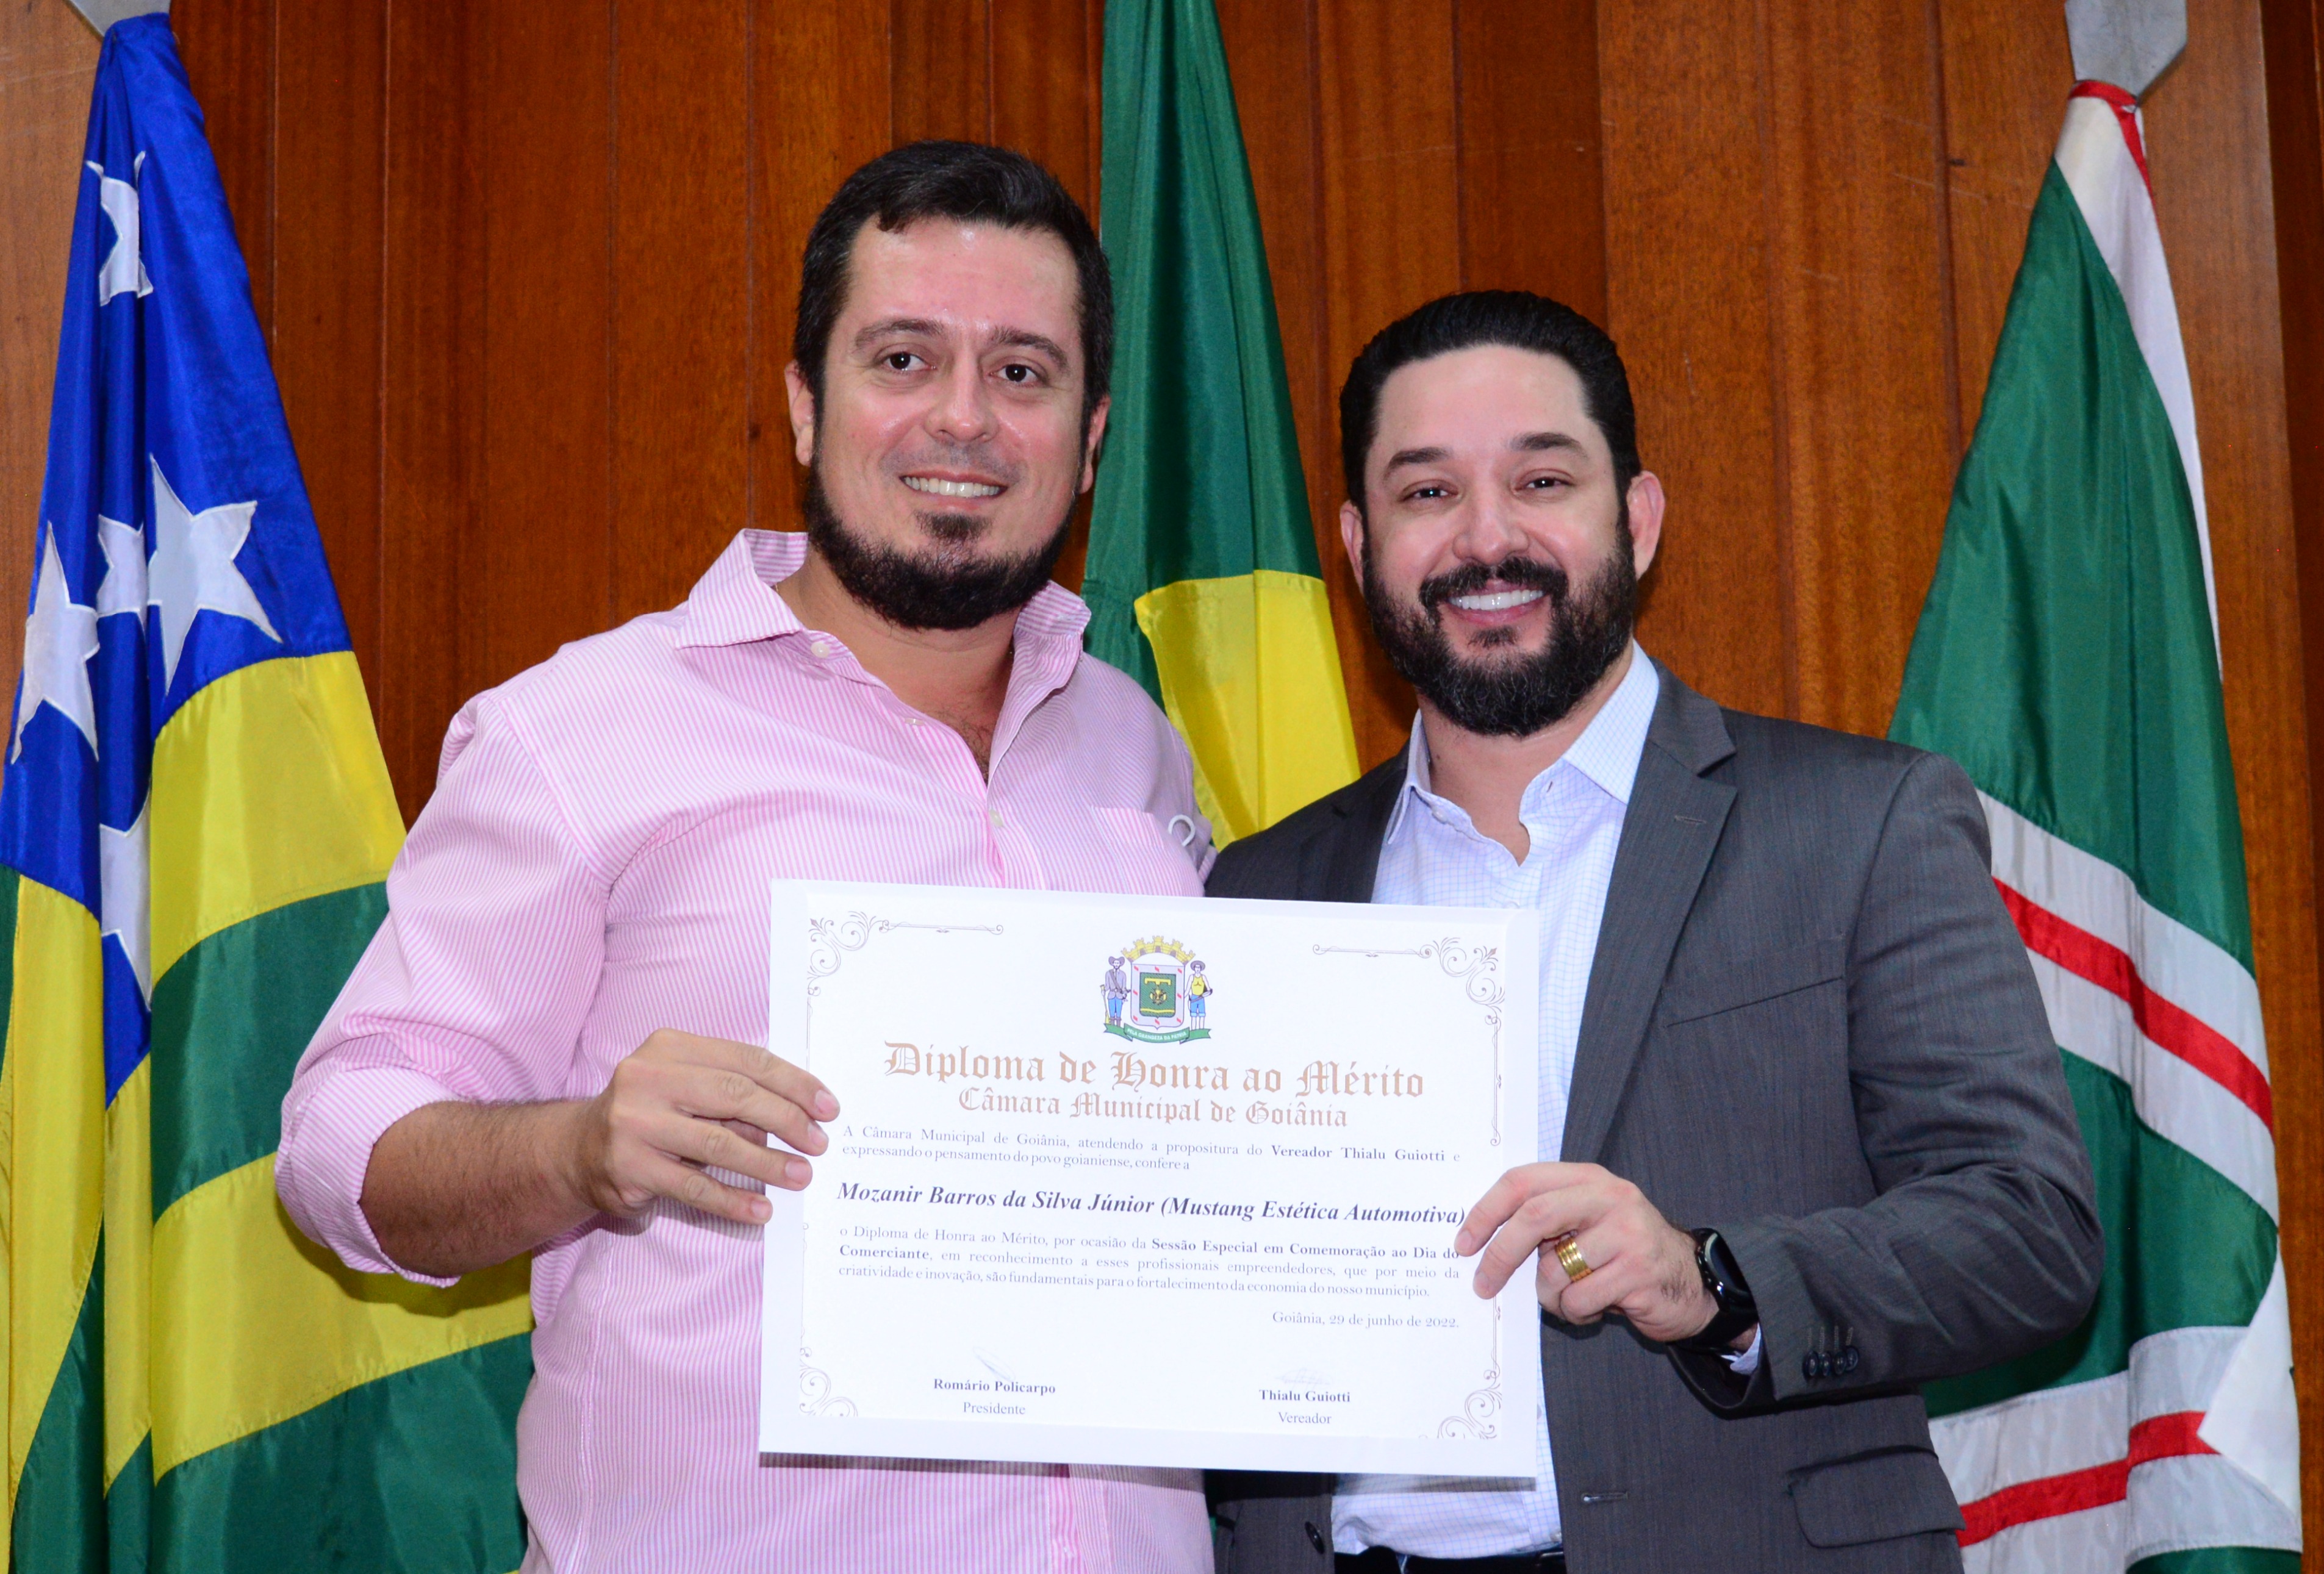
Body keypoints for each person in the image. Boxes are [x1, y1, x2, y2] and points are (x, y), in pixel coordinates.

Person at [279, 141, 1215, 1573]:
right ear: (803, 404)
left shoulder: (1136, 747)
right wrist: (579, 1149)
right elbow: (341, 1139)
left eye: (1022, 372)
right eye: (903, 359)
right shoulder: (579, 730)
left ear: (1088, 438)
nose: (963, 418)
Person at [1202, 292, 2101, 1573]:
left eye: (1542, 480)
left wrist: (1711, 1280)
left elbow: (2029, 1231)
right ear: (1357, 544)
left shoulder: (1862, 823)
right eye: (1427, 493)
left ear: (1637, 517)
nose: (1487, 537)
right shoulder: (1260, 888)